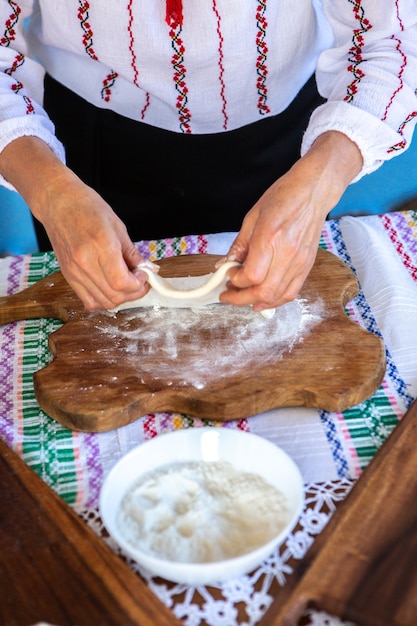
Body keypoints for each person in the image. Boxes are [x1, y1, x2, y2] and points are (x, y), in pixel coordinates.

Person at [0, 2, 415, 314]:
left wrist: (319, 185)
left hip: (291, 144)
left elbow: (392, 39)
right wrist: (50, 192)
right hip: (84, 152)